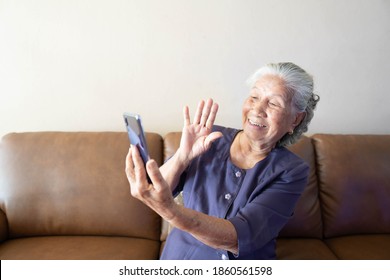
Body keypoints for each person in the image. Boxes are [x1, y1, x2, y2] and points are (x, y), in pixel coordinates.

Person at [125, 62, 319, 260]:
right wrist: (183, 157)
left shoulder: (292, 170)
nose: (257, 109)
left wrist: (172, 212)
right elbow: (157, 190)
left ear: (295, 119)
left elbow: (240, 237)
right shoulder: (209, 137)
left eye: (273, 103)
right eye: (254, 97)